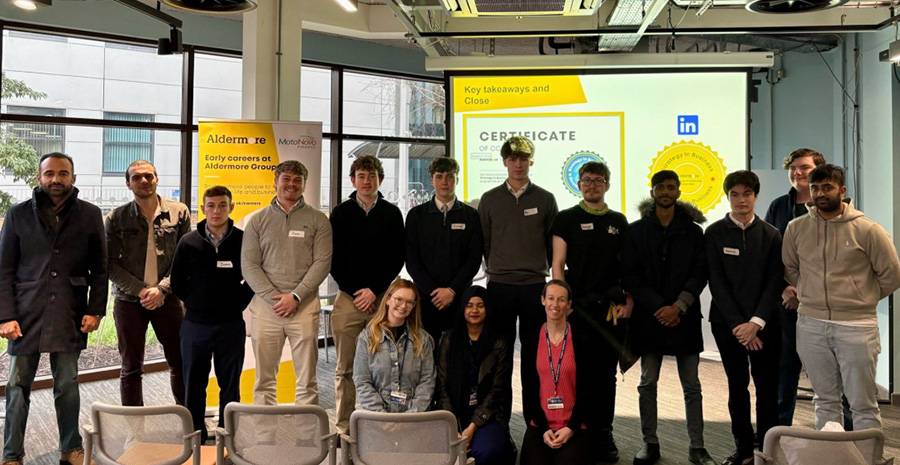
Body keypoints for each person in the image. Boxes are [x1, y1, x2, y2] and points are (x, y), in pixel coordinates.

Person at [0, 153, 107, 465]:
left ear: (72, 178)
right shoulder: (18, 214)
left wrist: (95, 310)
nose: (56, 180)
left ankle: (70, 448)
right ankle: (11, 453)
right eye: (49, 174)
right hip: (25, 313)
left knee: (67, 384)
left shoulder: (90, 214)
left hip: (70, 311)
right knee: (18, 386)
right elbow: (4, 269)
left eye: (63, 173)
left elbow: (100, 270)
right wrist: (5, 315)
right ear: (39, 177)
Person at [782, 164, 900, 431]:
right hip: (810, 323)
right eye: (815, 188)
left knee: (863, 403)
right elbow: (790, 268)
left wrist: (861, 297)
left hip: (856, 326)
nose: (820, 193)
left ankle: (868, 458)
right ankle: (831, 457)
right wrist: (809, 293)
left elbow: (891, 275)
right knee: (824, 400)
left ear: (842, 190)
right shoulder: (796, 228)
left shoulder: (868, 230)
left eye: (827, 187)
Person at [623, 170, 714, 465]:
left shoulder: (694, 231)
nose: (665, 191)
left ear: (678, 191)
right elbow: (631, 275)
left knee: (692, 386)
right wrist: (660, 307)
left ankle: (697, 447)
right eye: (660, 186)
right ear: (652, 192)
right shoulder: (636, 231)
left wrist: (679, 306)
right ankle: (649, 443)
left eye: (670, 187)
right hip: (650, 319)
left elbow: (700, 272)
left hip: (684, 316)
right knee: (647, 383)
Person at [550, 160, 630, 464]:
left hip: (608, 311)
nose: (592, 185)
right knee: (574, 371)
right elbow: (558, 264)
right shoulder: (565, 219)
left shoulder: (619, 221)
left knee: (605, 376)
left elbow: (627, 267)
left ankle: (602, 432)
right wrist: (559, 302)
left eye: (598, 180)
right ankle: (576, 429)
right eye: (586, 180)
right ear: (578, 184)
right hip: (575, 309)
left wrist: (628, 300)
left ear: (607, 184)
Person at [477, 136, 558, 422]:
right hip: (499, 286)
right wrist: (499, 267)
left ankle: (534, 420)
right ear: (505, 162)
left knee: (535, 358)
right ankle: (499, 420)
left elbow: (552, 244)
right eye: (512, 159)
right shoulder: (489, 200)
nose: (518, 164)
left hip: (534, 286)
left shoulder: (546, 199)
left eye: (523, 159)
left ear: (531, 162)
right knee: (500, 356)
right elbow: (484, 243)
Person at [705, 171, 783, 465]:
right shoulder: (713, 233)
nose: (741, 200)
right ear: (728, 197)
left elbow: (774, 282)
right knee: (737, 387)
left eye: (747, 194)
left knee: (766, 388)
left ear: (755, 196)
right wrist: (740, 325)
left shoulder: (772, 234)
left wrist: (756, 323)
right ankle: (744, 449)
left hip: (764, 326)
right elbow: (717, 282)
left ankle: (766, 450)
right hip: (728, 326)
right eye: (735, 194)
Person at [242, 160, 333, 406]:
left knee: (307, 380)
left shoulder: (318, 220)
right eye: (286, 179)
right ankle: (264, 436)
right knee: (264, 380)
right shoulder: (257, 220)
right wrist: (275, 297)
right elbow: (249, 265)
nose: (291, 185)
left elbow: (322, 262)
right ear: (275, 182)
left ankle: (307, 436)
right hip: (265, 309)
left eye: (297, 180)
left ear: (304, 184)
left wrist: (295, 297)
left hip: (304, 308)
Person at [170, 185, 254, 443]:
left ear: (231, 207)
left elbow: (252, 278)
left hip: (230, 325)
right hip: (195, 325)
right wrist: (196, 303)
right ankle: (196, 431)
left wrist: (236, 304)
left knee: (230, 382)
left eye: (222, 205)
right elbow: (177, 282)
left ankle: (228, 432)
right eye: (211, 206)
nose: (216, 211)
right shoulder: (188, 242)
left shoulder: (243, 241)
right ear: (203, 208)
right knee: (194, 382)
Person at [330, 155, 405, 432]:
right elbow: (333, 259)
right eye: (361, 176)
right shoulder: (340, 213)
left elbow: (397, 256)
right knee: (345, 369)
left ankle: (382, 424)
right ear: (353, 180)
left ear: (380, 180)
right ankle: (343, 427)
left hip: (381, 300)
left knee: (385, 367)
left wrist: (374, 290)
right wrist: (356, 291)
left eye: (372, 176)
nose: (366, 181)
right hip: (348, 300)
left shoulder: (392, 213)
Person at [106, 159, 190, 406]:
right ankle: (134, 429)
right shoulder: (116, 218)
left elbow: (185, 260)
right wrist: (142, 290)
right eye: (137, 177)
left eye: (149, 176)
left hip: (169, 299)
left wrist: (162, 288)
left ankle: (188, 418)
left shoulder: (179, 212)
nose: (144, 181)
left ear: (157, 179)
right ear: (128, 183)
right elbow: (108, 263)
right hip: (129, 301)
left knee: (180, 362)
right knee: (131, 366)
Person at [764, 148, 827, 427]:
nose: (798, 173)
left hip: (823, 304)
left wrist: (807, 291)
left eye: (805, 167)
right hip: (787, 303)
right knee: (784, 369)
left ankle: (839, 436)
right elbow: (768, 254)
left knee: (828, 371)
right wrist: (784, 288)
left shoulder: (830, 205)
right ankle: (779, 432)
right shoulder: (778, 206)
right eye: (793, 168)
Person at [406, 157, 483, 349]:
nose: (444, 181)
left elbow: (474, 259)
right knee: (425, 355)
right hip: (426, 298)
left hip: (459, 297)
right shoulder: (417, 215)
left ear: (457, 179)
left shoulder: (471, 215)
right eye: (439, 176)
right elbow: (412, 260)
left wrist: (452, 290)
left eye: (450, 176)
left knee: (458, 354)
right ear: (432, 179)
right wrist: (434, 292)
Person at [436, 286, 515, 465]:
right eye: (469, 305)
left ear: (487, 309)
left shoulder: (499, 342)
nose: (474, 310)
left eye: (480, 306)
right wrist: (451, 424)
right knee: (441, 450)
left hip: (487, 415)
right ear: (462, 308)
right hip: (452, 414)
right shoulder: (449, 339)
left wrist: (472, 427)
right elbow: (441, 385)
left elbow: (497, 390)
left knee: (486, 451)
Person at [520, 280, 593, 465]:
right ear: (542, 300)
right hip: (541, 425)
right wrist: (544, 429)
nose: (555, 304)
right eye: (551, 298)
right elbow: (528, 390)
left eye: (561, 300)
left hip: (574, 425)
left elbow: (588, 390)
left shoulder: (582, 341)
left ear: (568, 305)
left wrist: (571, 427)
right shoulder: (530, 342)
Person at [352, 278, 435, 413]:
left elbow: (427, 382)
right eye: (399, 299)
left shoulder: (423, 340)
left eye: (409, 302)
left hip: (413, 418)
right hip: (375, 417)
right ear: (388, 300)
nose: (403, 306)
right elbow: (362, 382)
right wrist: (384, 417)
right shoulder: (366, 338)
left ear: (414, 306)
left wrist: (410, 416)